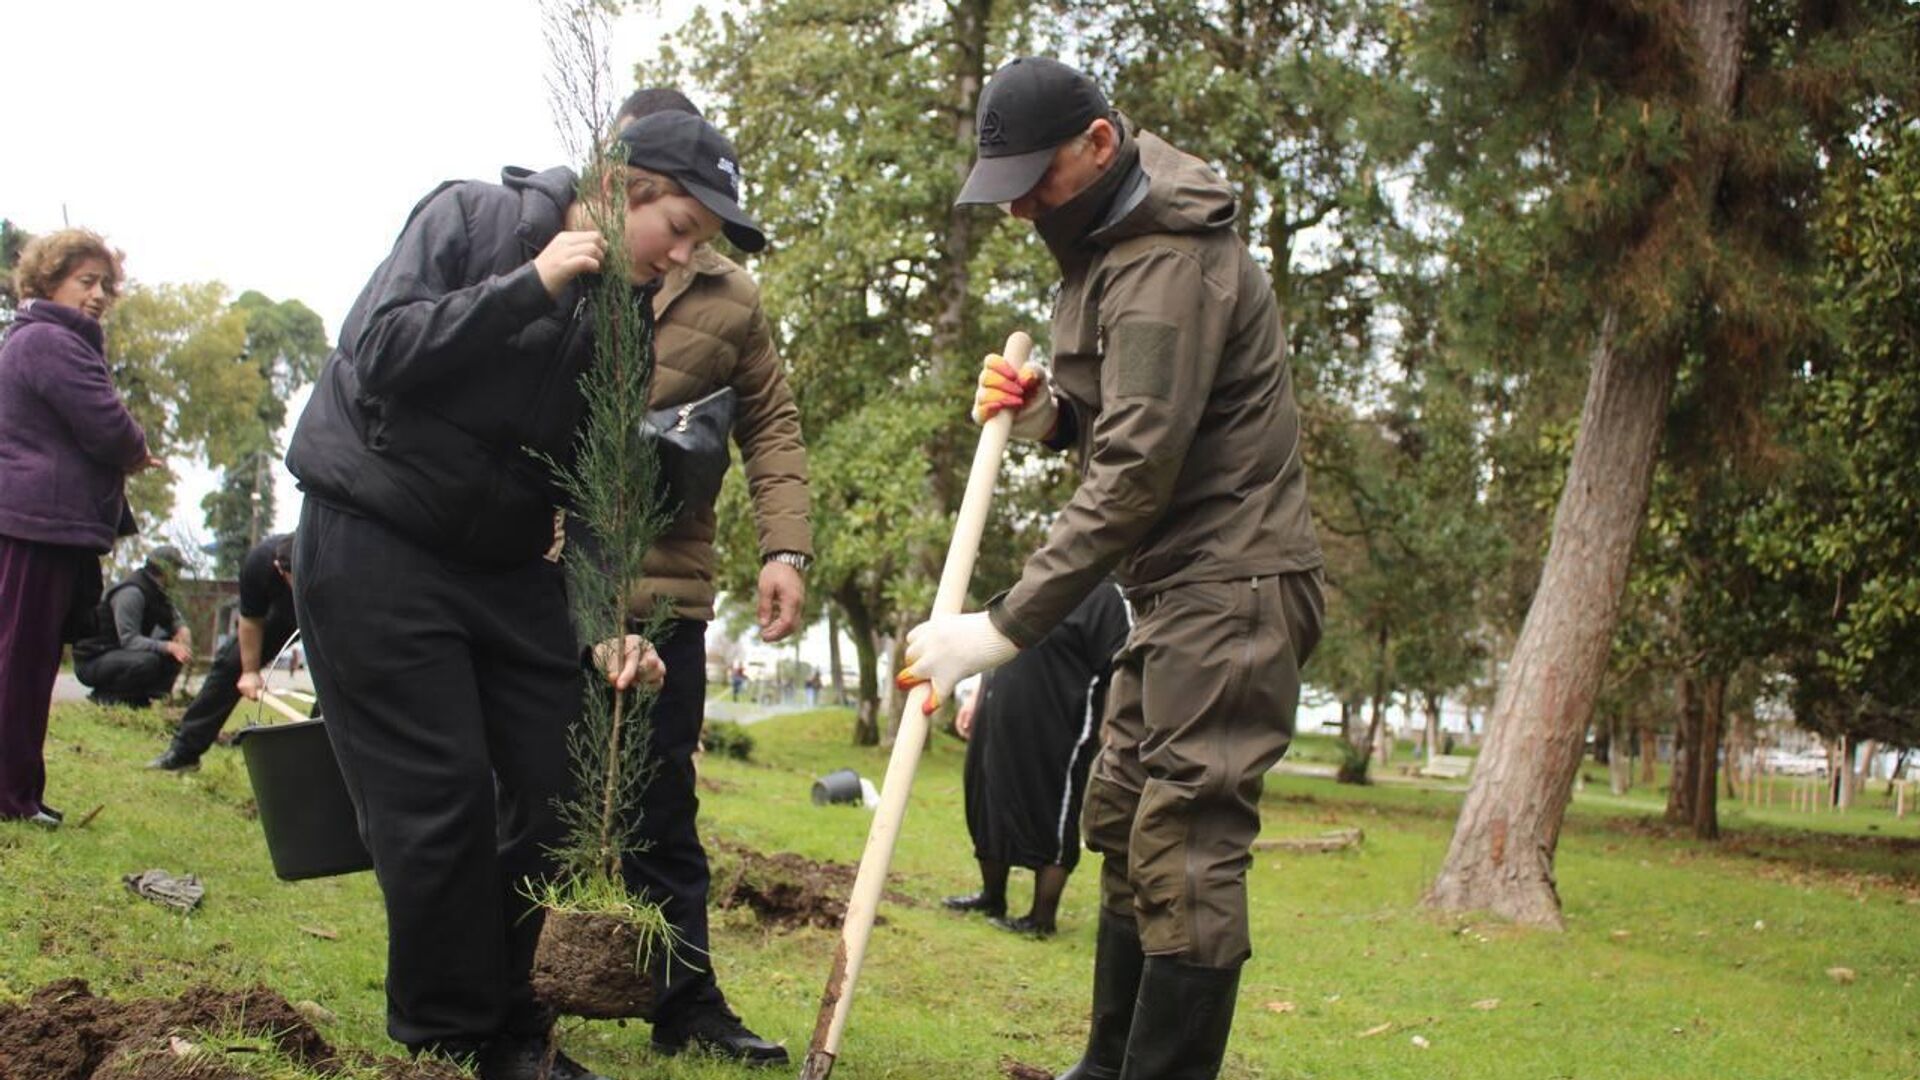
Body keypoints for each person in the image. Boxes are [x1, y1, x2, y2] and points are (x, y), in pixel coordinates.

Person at [284, 110, 760, 1080]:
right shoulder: (471, 220)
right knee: (442, 797)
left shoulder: (624, 320)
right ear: (626, 189)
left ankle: (515, 1021)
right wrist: (530, 287)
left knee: (558, 775)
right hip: (377, 536)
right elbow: (377, 347)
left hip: (501, 565)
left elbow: (591, 488)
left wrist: (601, 624)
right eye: (678, 229)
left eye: (699, 247)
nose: (680, 258)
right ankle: (457, 1035)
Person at [899, 58, 1324, 1080]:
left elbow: (1136, 475)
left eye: (1034, 185)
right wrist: (1051, 415)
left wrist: (996, 630)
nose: (1021, 216)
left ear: (1097, 144)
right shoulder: (1110, 252)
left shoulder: (1167, 260)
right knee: (1128, 823)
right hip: (1170, 590)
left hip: (1234, 588)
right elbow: (1124, 425)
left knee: (1184, 846)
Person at [596, 87, 813, 1068]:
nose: (683, 244)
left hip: (672, 596)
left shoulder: (734, 298)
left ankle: (685, 1005)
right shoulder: (556, 265)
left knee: (662, 813)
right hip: (549, 588)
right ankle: (505, 999)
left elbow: (772, 427)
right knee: (527, 793)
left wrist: (784, 550)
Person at [0, 229, 149, 826]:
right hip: (37, 521)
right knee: (19, 662)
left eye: (105, 286)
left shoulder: (44, 341)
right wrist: (137, 449)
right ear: (47, 281)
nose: (97, 296)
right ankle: (9, 798)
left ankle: (20, 793)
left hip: (47, 522)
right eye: (85, 281)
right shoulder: (49, 342)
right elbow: (107, 424)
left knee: (33, 662)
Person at [945, 580, 1128, 938]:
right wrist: (975, 698)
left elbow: (1122, 665)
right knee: (986, 797)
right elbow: (994, 642)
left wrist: (1116, 727)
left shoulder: (1106, 597)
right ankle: (991, 897)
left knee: (1050, 808)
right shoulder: (1032, 581)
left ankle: (1041, 917)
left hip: (1058, 722)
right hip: (998, 712)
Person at [149, 533, 308, 771]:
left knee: (337, 689)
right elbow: (251, 620)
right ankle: (184, 752)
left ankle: (326, 768)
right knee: (230, 664)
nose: (298, 583)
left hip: (334, 620)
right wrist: (249, 671)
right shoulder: (260, 563)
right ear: (278, 567)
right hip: (281, 615)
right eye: (292, 577)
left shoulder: (336, 564)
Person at [72, 545, 192, 708]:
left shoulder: (157, 592)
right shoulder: (132, 593)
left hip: (119, 653)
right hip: (94, 659)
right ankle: (107, 697)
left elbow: (172, 617)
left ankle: (141, 698)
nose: (178, 575)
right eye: (176, 569)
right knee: (148, 660)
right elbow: (129, 640)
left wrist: (181, 630)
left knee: (173, 648)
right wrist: (169, 647)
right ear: (165, 570)